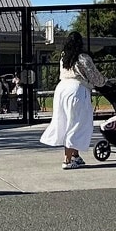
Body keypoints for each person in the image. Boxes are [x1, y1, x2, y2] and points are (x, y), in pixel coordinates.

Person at [39, 31, 102, 170]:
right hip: (77, 89)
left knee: (65, 121)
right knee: (77, 123)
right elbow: (95, 76)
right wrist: (104, 82)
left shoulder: (64, 57)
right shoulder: (83, 58)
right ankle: (67, 160)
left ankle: (75, 155)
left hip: (62, 89)